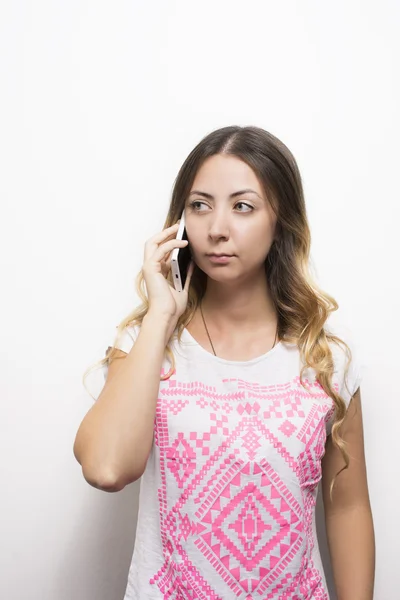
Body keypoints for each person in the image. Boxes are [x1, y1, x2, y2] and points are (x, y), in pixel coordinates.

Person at [74, 125, 375, 599]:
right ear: (180, 223)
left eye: (242, 206)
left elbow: (347, 507)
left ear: (281, 220)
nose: (216, 228)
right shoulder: (146, 342)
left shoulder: (325, 356)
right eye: (199, 205)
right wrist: (160, 316)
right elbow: (107, 468)